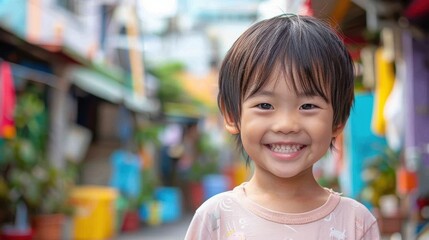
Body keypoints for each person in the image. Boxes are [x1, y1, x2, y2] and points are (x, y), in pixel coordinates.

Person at [185, 14, 380, 240]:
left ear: (337, 122)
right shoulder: (215, 219)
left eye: (308, 106)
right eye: (265, 105)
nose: (286, 125)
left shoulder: (356, 222)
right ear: (232, 115)